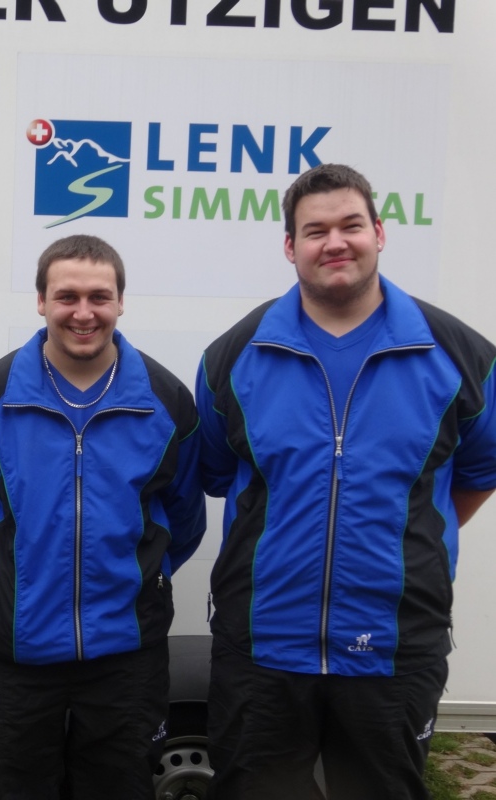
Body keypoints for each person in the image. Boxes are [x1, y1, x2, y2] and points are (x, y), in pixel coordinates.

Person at [196, 163, 496, 800]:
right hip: (262, 644)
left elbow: (476, 475)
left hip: (394, 643)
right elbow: (222, 476)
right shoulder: (233, 356)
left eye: (351, 225)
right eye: (315, 231)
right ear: (290, 246)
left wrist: (404, 533)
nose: (335, 242)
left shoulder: (460, 355)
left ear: (379, 233)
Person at [0, 234, 206, 799]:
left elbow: (183, 519)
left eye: (99, 296)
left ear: (120, 302)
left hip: (126, 655)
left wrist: (142, 576)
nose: (83, 312)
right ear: (40, 301)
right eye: (66, 296)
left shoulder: (165, 399)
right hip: (16, 651)